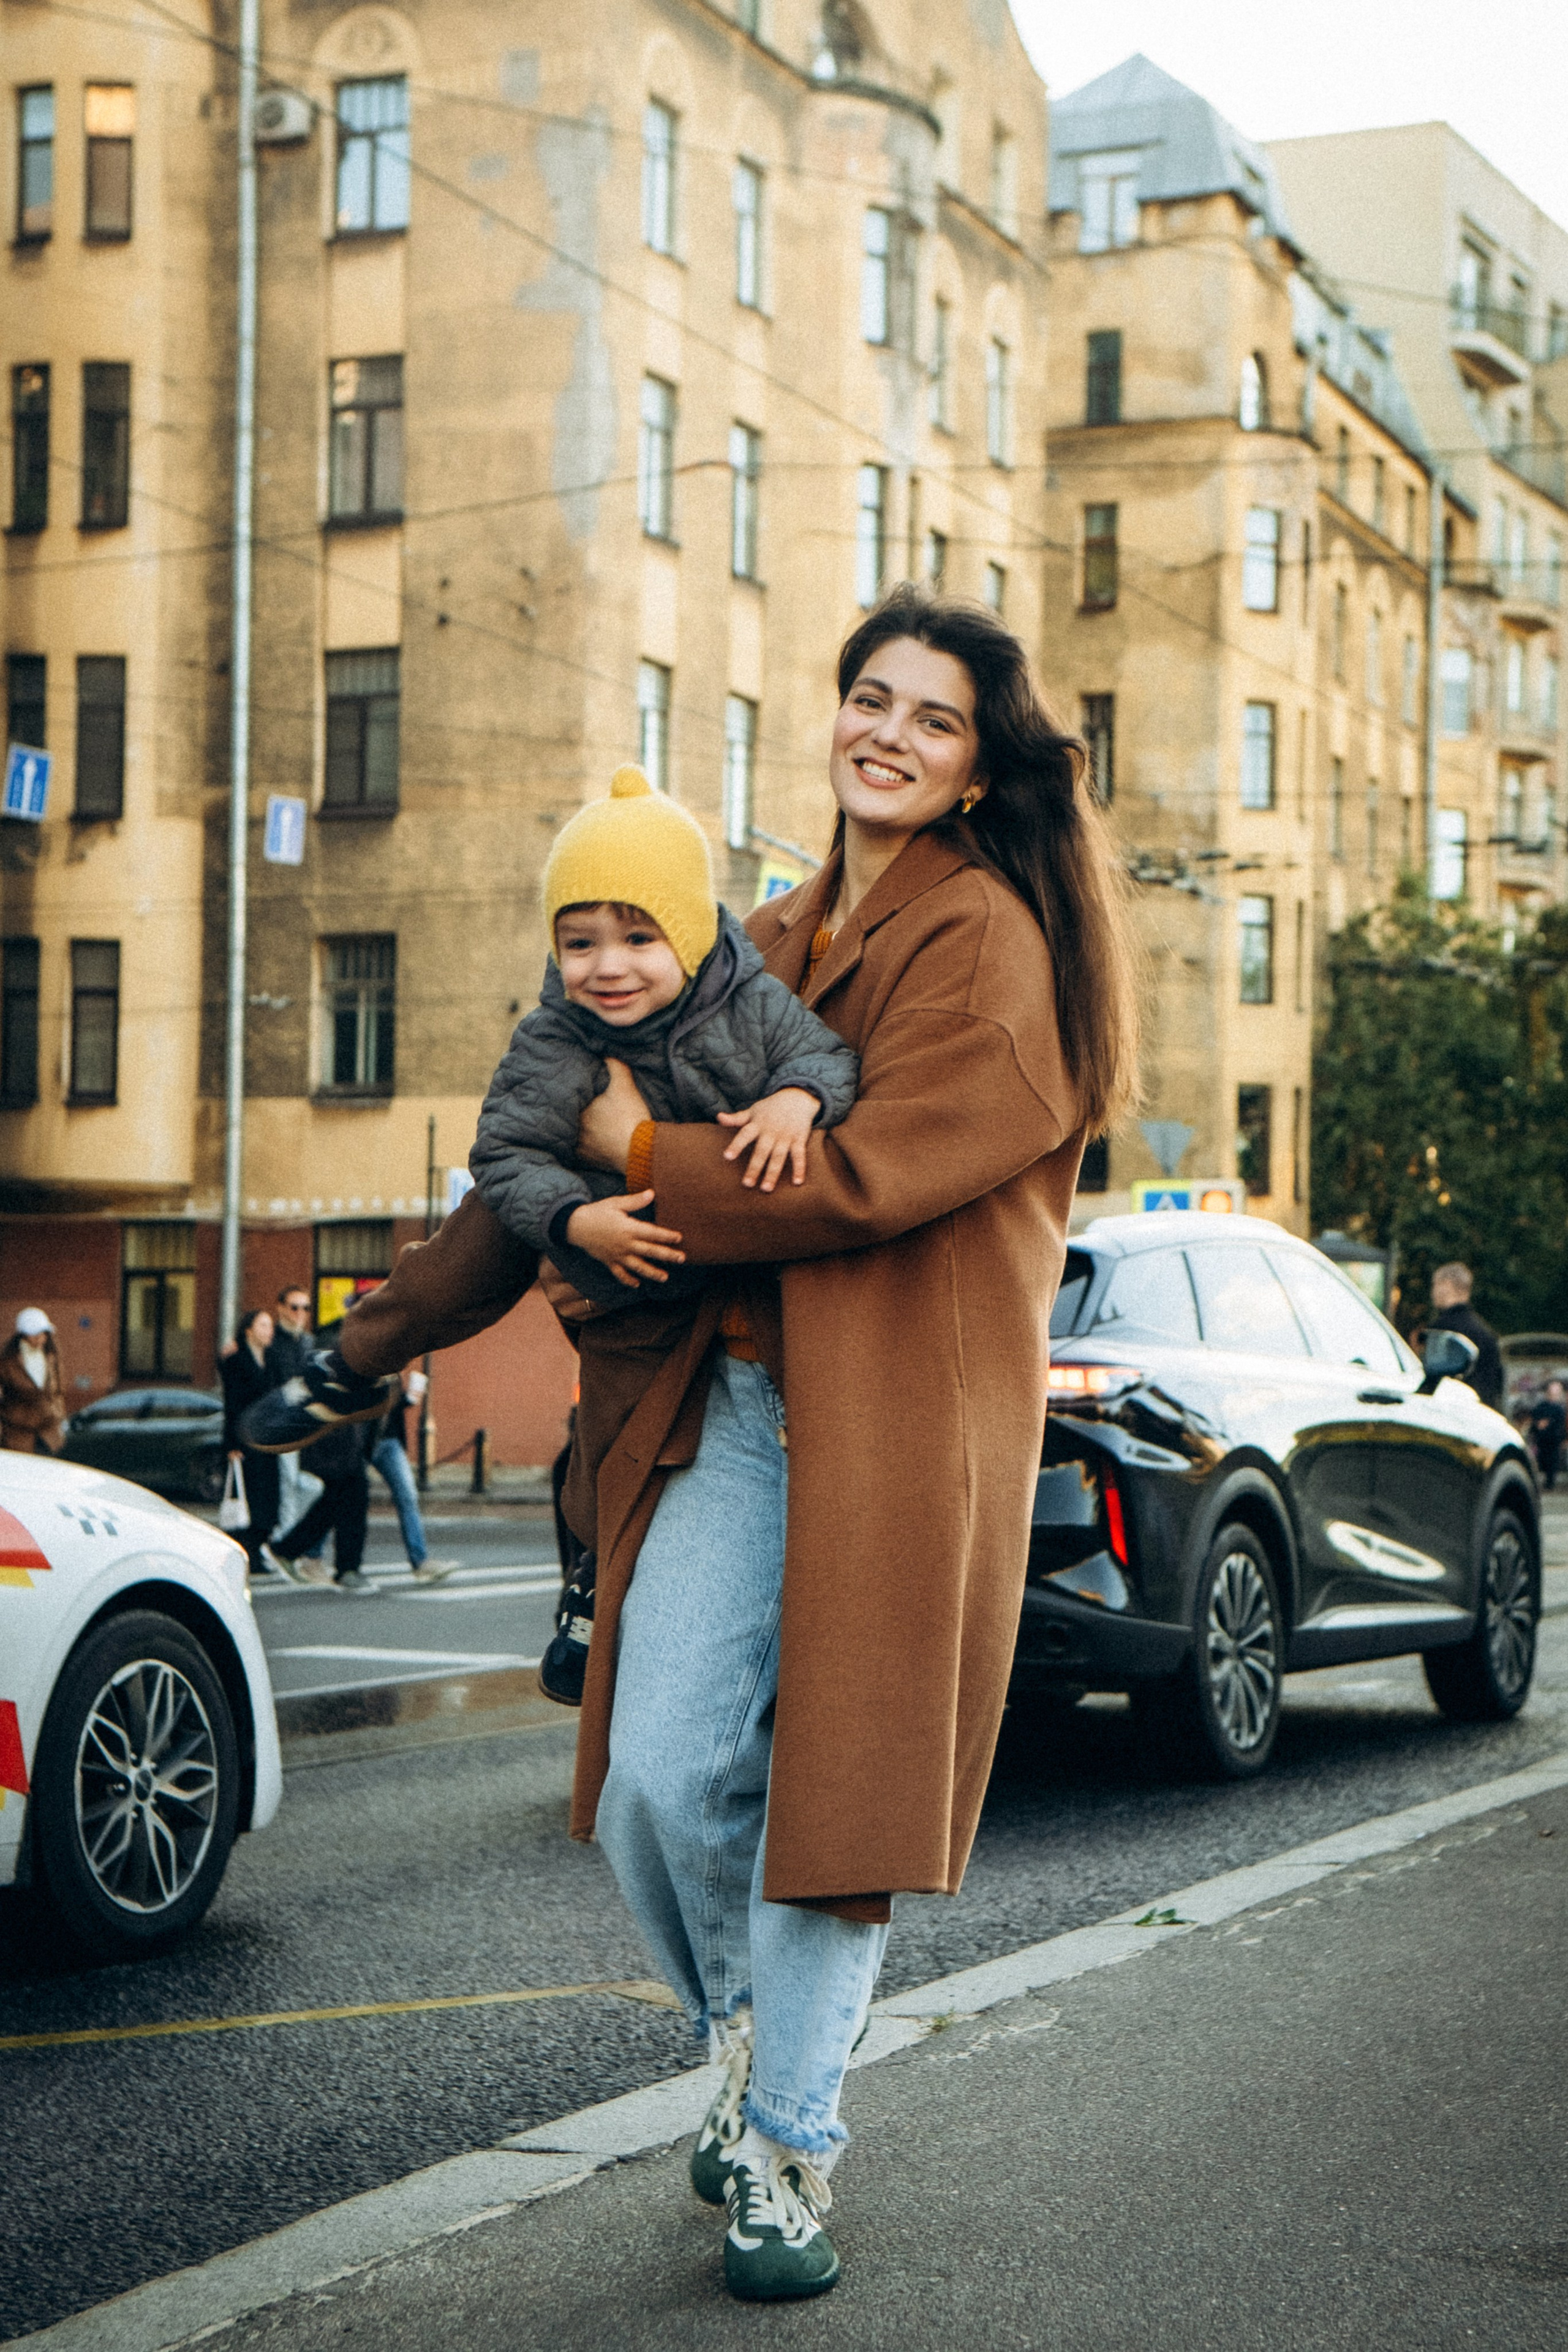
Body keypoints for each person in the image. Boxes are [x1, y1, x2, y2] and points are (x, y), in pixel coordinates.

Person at [250, 586, 1139, 2299]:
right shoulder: (763, 930)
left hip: (891, 1422)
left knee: (837, 1809)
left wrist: (640, 1149)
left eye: (932, 718)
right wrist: (365, 1346)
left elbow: (856, 1180)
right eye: (867, 695)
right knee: (660, 1776)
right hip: (729, 1408)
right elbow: (533, 1171)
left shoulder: (996, 942)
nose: (884, 731)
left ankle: (790, 2146)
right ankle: (747, 2045)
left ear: (976, 770)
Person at [240, 762, 860, 1468]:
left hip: (731, 1252)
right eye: (579, 943)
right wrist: (573, 1221)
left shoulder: (751, 1005)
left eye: (638, 940)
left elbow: (832, 1059)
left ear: (687, 938)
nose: (607, 967)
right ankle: (354, 1364)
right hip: (621, 1281)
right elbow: (503, 1154)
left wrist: (795, 1098)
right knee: (608, 1444)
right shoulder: (558, 1036)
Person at [262, 1325, 375, 1590]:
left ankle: (290, 1551)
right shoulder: (339, 1350)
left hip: (338, 1441)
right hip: (337, 1442)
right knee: (351, 1497)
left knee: (338, 1501)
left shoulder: (336, 1346)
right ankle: (344, 1567)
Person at [369, 1368, 455, 1584]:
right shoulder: (366, 1360)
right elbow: (366, 1403)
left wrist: (408, 1399)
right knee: (339, 1493)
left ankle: (421, 1563)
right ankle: (311, 1555)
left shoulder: (393, 1369)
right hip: (362, 1439)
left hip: (389, 1441)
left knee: (408, 1496)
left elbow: (391, 1407)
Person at [219, 1310, 281, 1581]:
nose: (270, 1330)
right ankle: (244, 1556)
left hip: (267, 1440)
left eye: (270, 1326)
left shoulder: (272, 1359)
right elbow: (232, 1404)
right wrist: (232, 1443)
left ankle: (257, 1553)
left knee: (267, 1498)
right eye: (264, 1325)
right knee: (246, 1499)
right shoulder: (236, 1360)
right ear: (249, 1330)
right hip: (244, 1440)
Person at [267, 1284, 325, 1545]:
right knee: (287, 1483)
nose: (300, 1313)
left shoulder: (308, 1341)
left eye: (305, 1308)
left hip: (307, 1422)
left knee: (315, 1484)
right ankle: (285, 1538)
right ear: (281, 1309)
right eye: (294, 1307)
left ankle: (296, 1538)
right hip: (282, 1423)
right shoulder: (270, 1340)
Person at [1427, 1262, 1504, 1411]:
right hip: (1480, 1412)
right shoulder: (1486, 1333)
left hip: (1449, 1412)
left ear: (1447, 1285)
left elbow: (1433, 1381)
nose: (1433, 1292)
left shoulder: (1442, 1331)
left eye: (1435, 1285)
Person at [1, 1308, 66, 1454]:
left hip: (49, 1435)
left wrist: (59, 1415)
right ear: (23, 1335)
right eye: (35, 1335)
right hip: (18, 1436)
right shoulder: (8, 1360)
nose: (41, 1339)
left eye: (44, 1334)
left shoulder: (51, 1356)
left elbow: (58, 1391)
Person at [1528, 1378, 1566, 1491]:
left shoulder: (1559, 1408)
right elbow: (1535, 1418)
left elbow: (1560, 1423)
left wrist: (1548, 1423)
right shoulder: (1541, 1406)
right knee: (1540, 1460)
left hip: (1554, 1440)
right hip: (1542, 1439)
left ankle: (1550, 1483)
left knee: (1552, 1462)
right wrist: (1538, 1424)